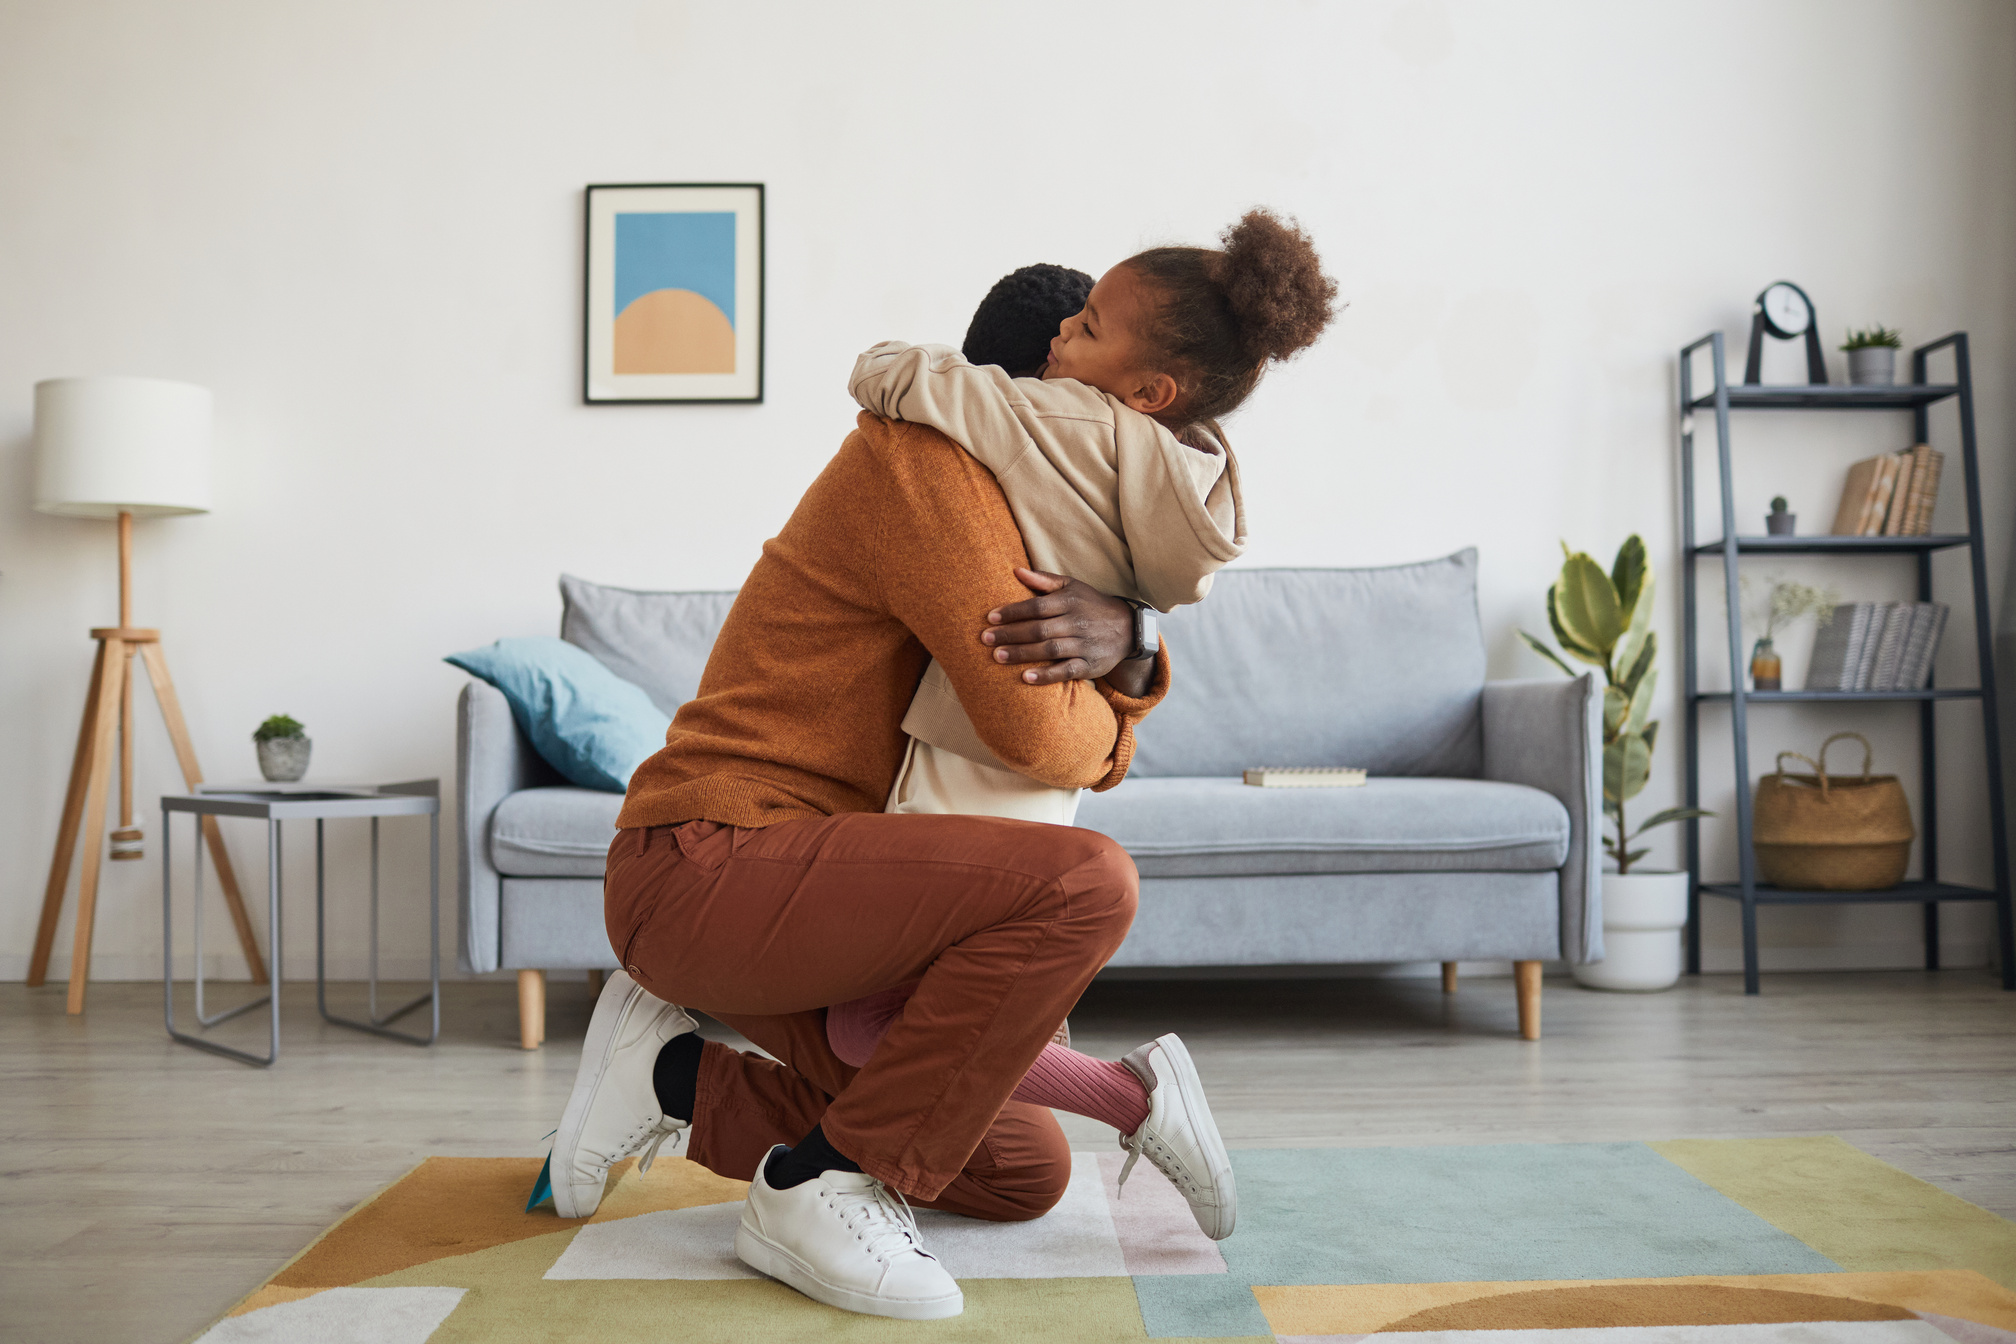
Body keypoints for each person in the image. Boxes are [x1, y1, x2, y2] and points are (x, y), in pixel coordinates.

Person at [548, 210, 1336, 1321]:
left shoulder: (1040, 517)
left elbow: (1054, 694)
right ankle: (816, 1186)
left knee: (1016, 1171)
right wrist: (1125, 697)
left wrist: (1132, 636)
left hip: (823, 887)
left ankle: (672, 1079)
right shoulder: (929, 465)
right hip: (712, 858)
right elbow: (1037, 734)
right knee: (1088, 882)